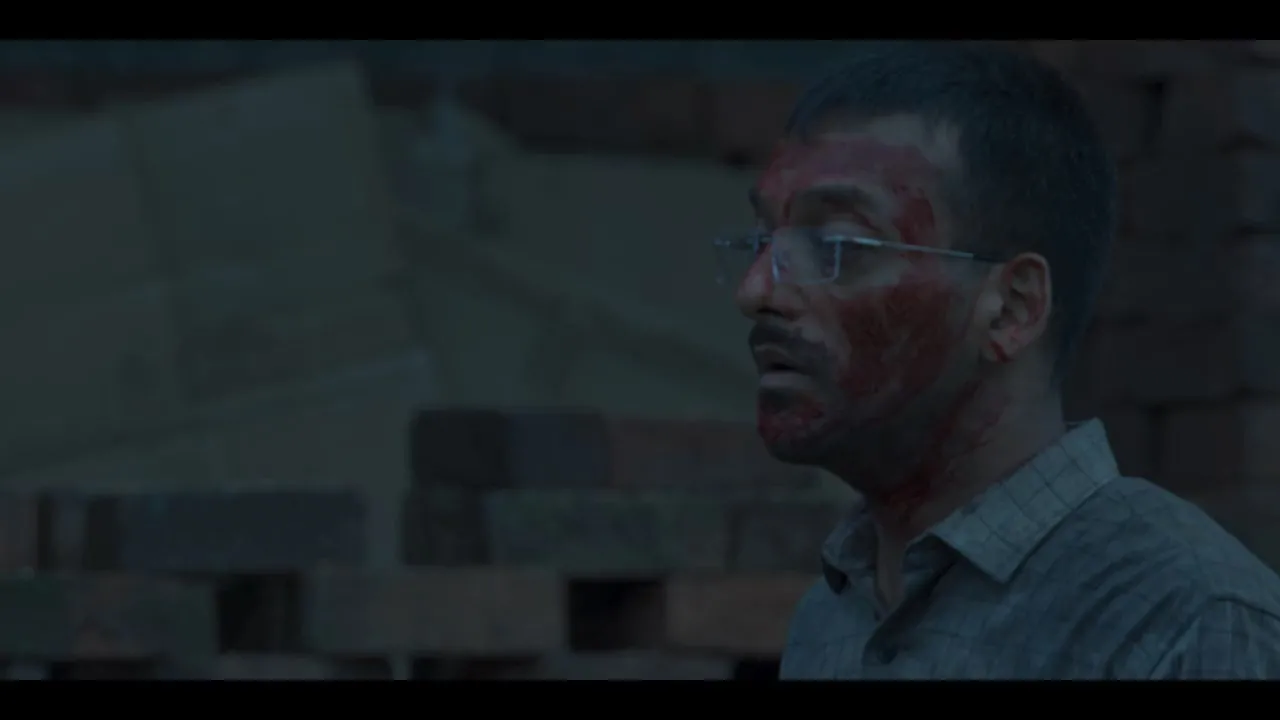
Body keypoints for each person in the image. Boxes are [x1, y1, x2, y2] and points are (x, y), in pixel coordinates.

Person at [715, 40, 1280, 679]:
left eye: (837, 246)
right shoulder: (833, 614)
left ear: (1012, 309)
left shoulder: (1186, 622)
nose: (756, 290)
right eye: (763, 240)